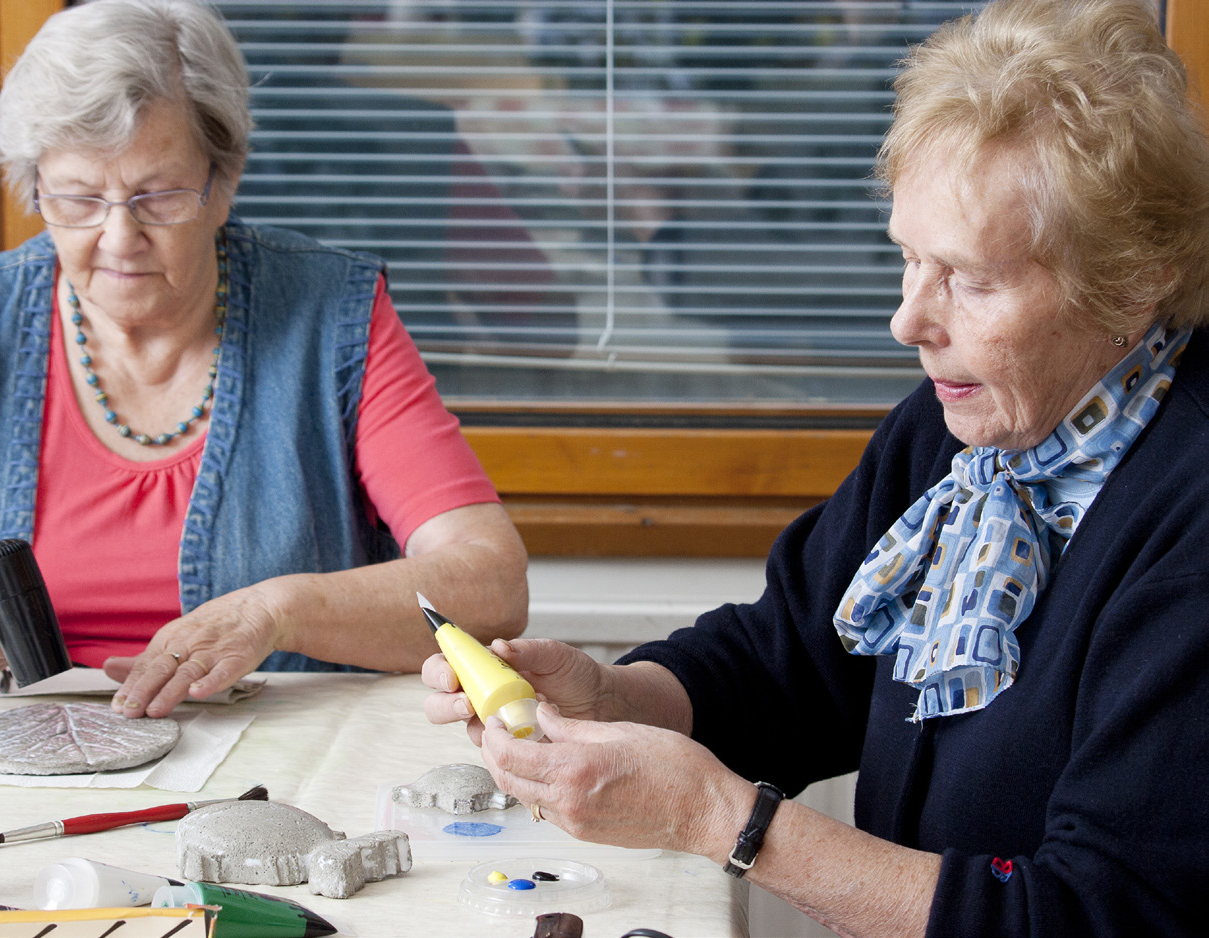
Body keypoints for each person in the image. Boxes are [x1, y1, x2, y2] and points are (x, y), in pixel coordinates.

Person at [424, 0, 1209, 934]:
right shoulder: (958, 430)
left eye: (972, 278)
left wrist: (715, 817)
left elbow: (1099, 915)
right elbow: (793, 663)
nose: (908, 321)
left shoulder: (1189, 516)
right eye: (910, 260)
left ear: (1131, 280)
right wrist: (618, 699)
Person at [0, 0, 527, 718]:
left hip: (275, 772)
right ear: (35, 189)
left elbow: (492, 588)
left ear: (223, 182)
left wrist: (279, 611)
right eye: (78, 198)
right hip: (17, 769)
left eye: (157, 196)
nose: (119, 237)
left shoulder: (331, 317)